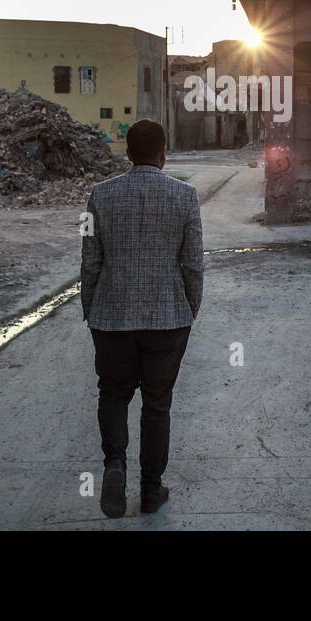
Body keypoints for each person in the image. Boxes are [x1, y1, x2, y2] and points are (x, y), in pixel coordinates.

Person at [80, 118, 203, 517]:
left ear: (127, 153)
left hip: (112, 317)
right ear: (164, 153)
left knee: (113, 393)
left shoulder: (99, 195)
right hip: (167, 317)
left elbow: (90, 262)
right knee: (157, 404)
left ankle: (115, 463)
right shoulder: (185, 197)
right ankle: (151, 489)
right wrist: (189, 310)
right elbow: (193, 266)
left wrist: (91, 310)